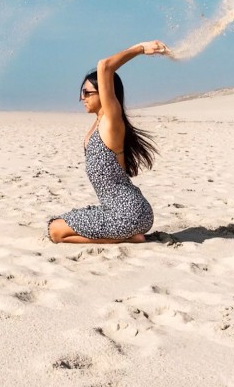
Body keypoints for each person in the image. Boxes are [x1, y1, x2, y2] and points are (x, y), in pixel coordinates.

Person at [46, 40, 169, 244]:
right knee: (57, 223)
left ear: (104, 94)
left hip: (128, 212)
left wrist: (140, 49)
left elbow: (105, 66)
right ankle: (128, 236)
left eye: (87, 92)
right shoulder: (97, 124)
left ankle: (128, 239)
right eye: (81, 93)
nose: (82, 97)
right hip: (123, 210)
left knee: (55, 231)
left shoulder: (111, 122)